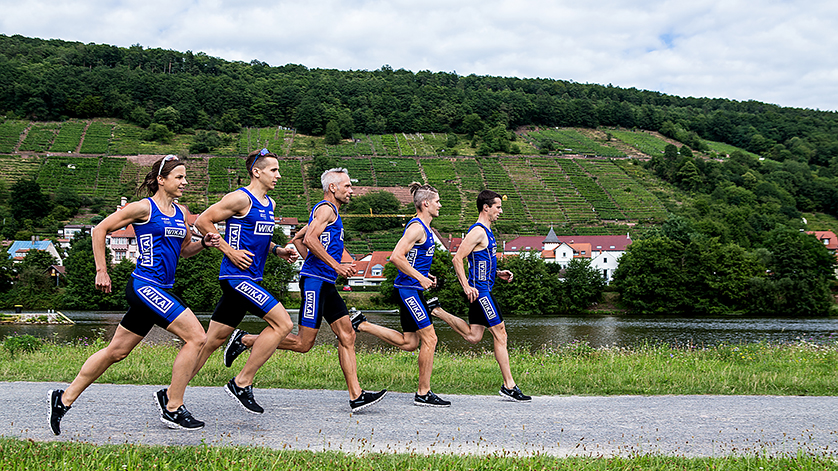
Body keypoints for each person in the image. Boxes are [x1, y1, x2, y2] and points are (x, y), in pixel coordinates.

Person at [48, 155, 221, 435]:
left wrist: (205, 243)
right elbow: (100, 229)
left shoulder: (182, 212)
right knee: (197, 337)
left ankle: (64, 399)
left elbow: (185, 250)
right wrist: (101, 270)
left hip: (161, 290)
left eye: (185, 177)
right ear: (161, 180)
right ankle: (173, 405)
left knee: (116, 352)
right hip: (144, 286)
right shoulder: (143, 208)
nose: (185, 182)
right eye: (179, 177)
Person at [225, 168, 387, 411]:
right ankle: (246, 339)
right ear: (332, 188)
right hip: (314, 284)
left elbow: (299, 239)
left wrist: (318, 265)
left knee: (347, 335)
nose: (351, 191)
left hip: (325, 283)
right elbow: (310, 239)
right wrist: (336, 266)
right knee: (303, 343)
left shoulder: (331, 213)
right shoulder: (325, 209)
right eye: (346, 186)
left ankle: (356, 396)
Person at [158, 148, 296, 416]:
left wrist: (278, 250)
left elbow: (259, 239)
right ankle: (241, 382)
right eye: (274, 170)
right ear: (257, 172)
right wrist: (229, 251)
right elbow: (202, 221)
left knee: (211, 341)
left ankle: (171, 394)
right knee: (283, 323)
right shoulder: (240, 199)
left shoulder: (270, 204)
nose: (278, 175)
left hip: (250, 277)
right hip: (236, 278)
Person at [351, 182, 450, 407]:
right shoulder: (416, 227)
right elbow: (396, 256)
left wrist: (427, 275)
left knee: (410, 342)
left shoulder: (425, 228)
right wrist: (420, 278)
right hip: (409, 291)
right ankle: (423, 393)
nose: (440, 205)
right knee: (431, 339)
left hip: (412, 289)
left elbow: (414, 260)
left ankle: (362, 324)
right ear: (425, 204)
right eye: (437, 201)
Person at [429, 190, 531, 402]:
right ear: (486, 207)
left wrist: (498, 273)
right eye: (498, 207)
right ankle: (509, 385)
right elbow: (457, 259)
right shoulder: (477, 231)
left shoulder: (487, 232)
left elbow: (481, 263)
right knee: (500, 334)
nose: (500, 211)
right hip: (480, 293)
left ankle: (437, 311)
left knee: (474, 336)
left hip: (484, 289)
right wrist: (466, 286)